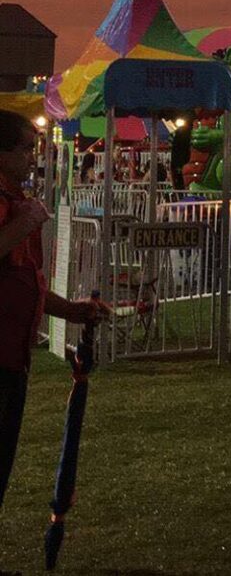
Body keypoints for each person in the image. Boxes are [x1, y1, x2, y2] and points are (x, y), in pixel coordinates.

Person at [0, 111, 109, 508]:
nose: (33, 158)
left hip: (13, 356)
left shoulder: (18, 203)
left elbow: (25, 281)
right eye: (26, 148)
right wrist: (24, 222)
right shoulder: (11, 207)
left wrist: (71, 312)